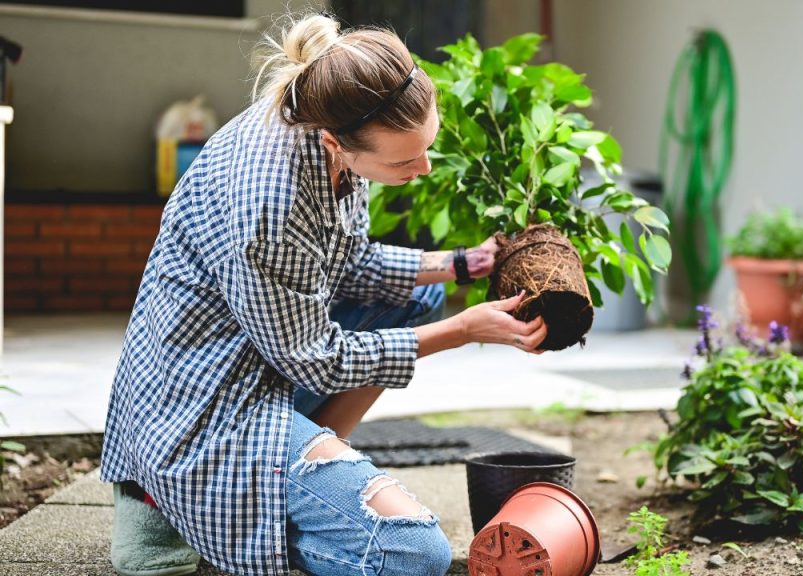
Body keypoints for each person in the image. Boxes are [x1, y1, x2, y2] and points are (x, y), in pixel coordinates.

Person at [99, 12, 548, 576]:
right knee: (412, 554)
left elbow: (350, 261)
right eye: (405, 160)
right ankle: (177, 501)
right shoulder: (270, 206)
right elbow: (314, 358)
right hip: (206, 400)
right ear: (339, 143)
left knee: (417, 300)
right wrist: (463, 331)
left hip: (264, 355)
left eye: (426, 147)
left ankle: (302, 469)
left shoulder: (326, 125)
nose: (424, 168)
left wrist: (462, 265)